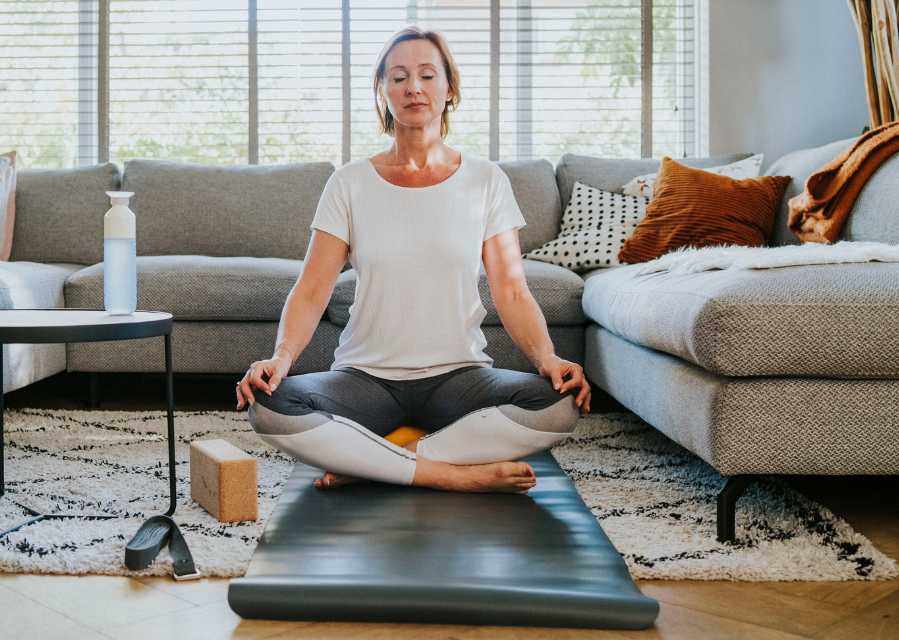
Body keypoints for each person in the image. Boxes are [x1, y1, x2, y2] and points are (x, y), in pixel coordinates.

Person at [236, 26, 591, 494]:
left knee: (559, 404)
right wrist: (280, 358)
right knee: (269, 407)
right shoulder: (350, 183)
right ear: (383, 91)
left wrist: (547, 358)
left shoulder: (486, 181)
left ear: (449, 88)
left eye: (427, 75)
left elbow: (512, 290)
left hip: (459, 376)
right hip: (365, 378)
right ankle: (450, 474)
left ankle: (378, 461)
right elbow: (312, 288)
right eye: (399, 77)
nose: (413, 88)